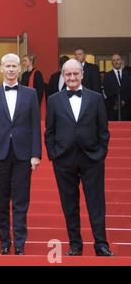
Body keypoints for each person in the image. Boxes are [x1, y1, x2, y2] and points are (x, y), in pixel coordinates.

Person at [45, 59, 113, 257]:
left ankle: (101, 244)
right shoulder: (54, 100)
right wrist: (54, 154)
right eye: (68, 74)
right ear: (63, 76)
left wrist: (101, 153)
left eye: (76, 74)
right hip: (64, 160)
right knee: (69, 204)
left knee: (96, 203)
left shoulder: (96, 98)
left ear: (82, 74)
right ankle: (75, 245)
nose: (72, 78)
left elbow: (103, 130)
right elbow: (50, 131)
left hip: (92, 158)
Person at [0, 53, 42, 255]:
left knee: (21, 201)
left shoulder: (31, 93)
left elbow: (35, 125)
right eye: (7, 66)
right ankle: (4, 242)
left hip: (23, 154)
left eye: (14, 66)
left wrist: (36, 154)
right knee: (1, 202)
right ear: (1, 69)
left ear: (19, 69)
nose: (10, 69)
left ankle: (20, 244)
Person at [102, 54, 131, 121]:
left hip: (127, 109)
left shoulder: (128, 75)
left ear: (121, 61)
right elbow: (107, 91)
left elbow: (129, 90)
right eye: (114, 60)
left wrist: (124, 101)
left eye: (118, 59)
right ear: (112, 63)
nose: (116, 62)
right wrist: (117, 102)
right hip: (113, 108)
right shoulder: (107, 76)